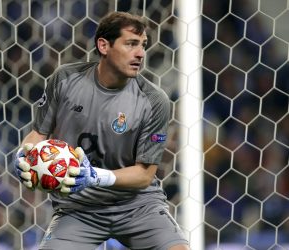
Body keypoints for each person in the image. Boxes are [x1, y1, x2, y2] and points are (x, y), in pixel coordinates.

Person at [14, 11, 190, 250]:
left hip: (138, 207)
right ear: (104, 45)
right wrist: (25, 156)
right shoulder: (65, 79)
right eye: (130, 44)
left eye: (143, 45)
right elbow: (38, 135)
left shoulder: (154, 100)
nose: (140, 53)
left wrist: (94, 176)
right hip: (78, 209)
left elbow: (144, 175)